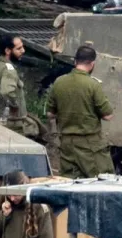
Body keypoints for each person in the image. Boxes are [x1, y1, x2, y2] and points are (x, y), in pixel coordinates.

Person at [46, 45, 115, 178]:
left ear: (75, 61)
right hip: (89, 145)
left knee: (69, 182)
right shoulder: (93, 85)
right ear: (92, 64)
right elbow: (108, 115)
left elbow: (50, 114)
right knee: (104, 181)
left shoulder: (59, 82)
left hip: (66, 144)